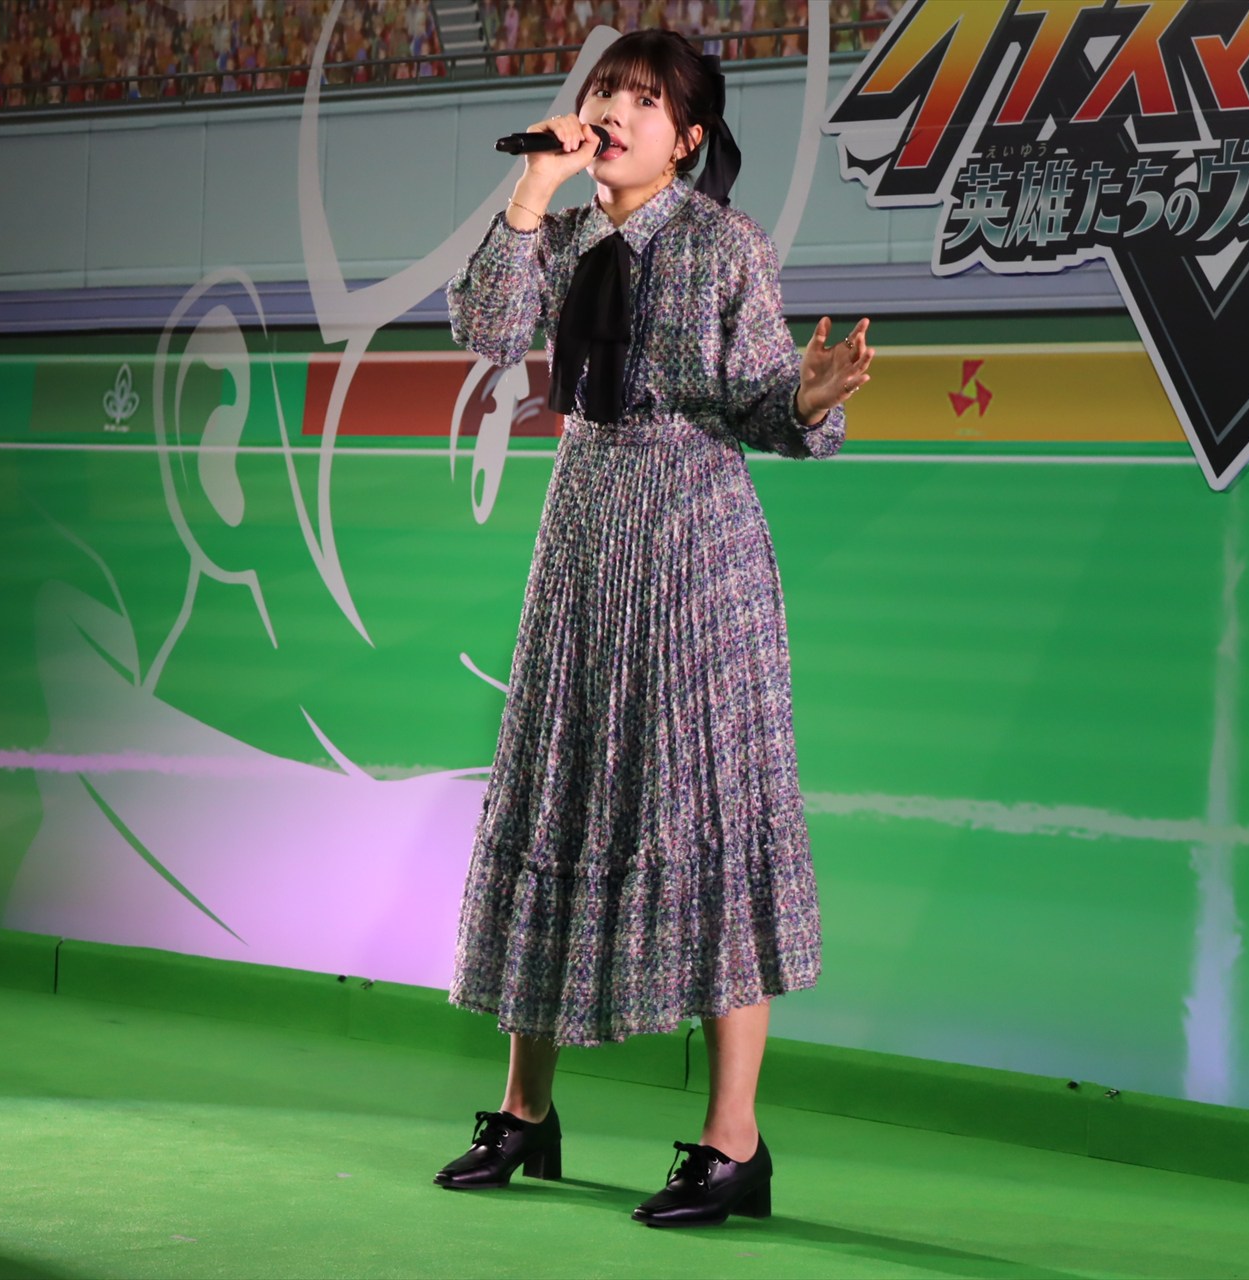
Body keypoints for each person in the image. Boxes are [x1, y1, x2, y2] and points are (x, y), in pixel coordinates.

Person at [434, 27, 872, 1228]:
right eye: (605, 92)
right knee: (556, 794)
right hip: (581, 539)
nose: (615, 111)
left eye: (643, 98)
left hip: (697, 553)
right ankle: (525, 1109)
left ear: (686, 138)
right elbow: (485, 330)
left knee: (715, 814)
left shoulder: (727, 245)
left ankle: (734, 1141)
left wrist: (806, 398)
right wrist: (534, 185)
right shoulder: (564, 236)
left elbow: (761, 405)